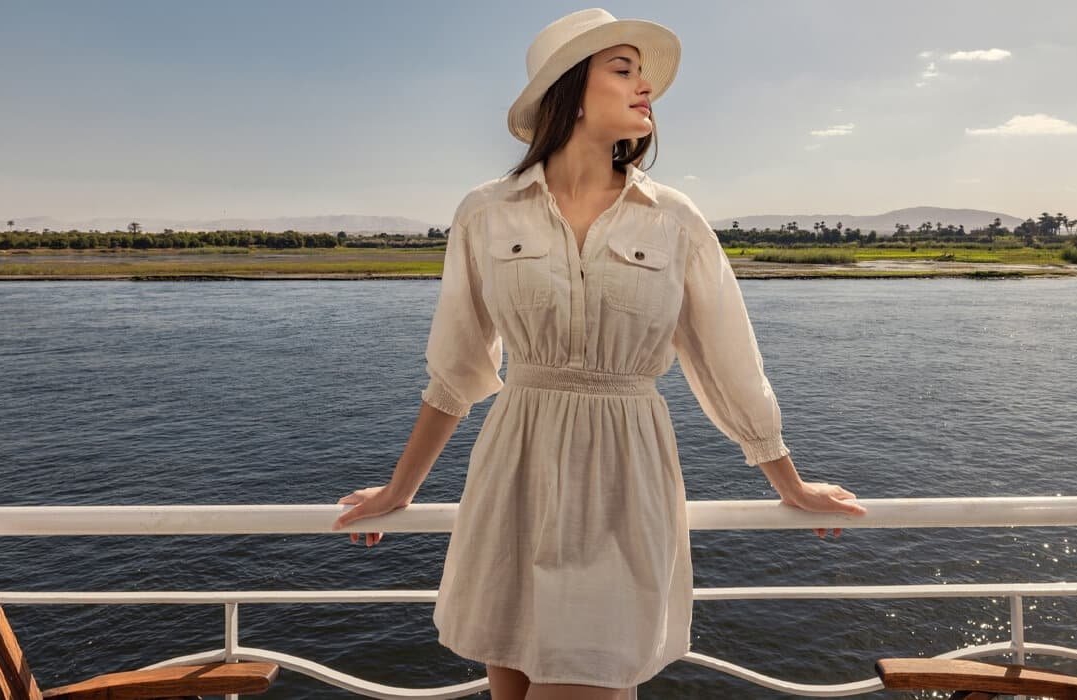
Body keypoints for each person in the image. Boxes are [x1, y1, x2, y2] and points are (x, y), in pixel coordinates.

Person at [332, 8, 867, 700]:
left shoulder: (672, 218)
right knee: (513, 685)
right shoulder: (486, 212)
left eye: (644, 75)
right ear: (569, 91)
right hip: (515, 470)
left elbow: (730, 363)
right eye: (624, 70)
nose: (645, 88)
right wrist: (400, 489)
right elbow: (456, 367)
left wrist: (788, 482)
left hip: (623, 475)